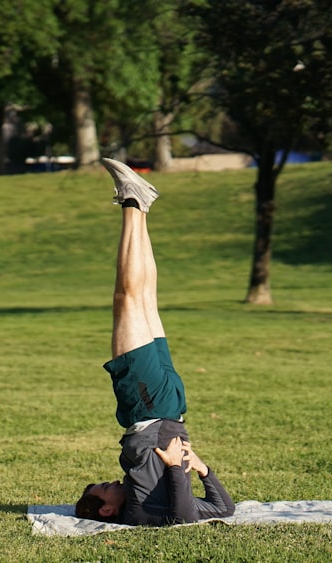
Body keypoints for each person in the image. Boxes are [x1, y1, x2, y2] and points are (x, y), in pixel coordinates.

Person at [75, 158, 235, 526]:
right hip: (149, 405)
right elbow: (181, 517)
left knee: (143, 299)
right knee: (126, 299)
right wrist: (184, 469)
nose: (111, 481)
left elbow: (224, 510)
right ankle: (133, 202)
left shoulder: (140, 499)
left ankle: (140, 204)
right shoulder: (139, 511)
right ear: (106, 510)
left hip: (166, 405)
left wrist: (202, 471)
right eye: (103, 488)